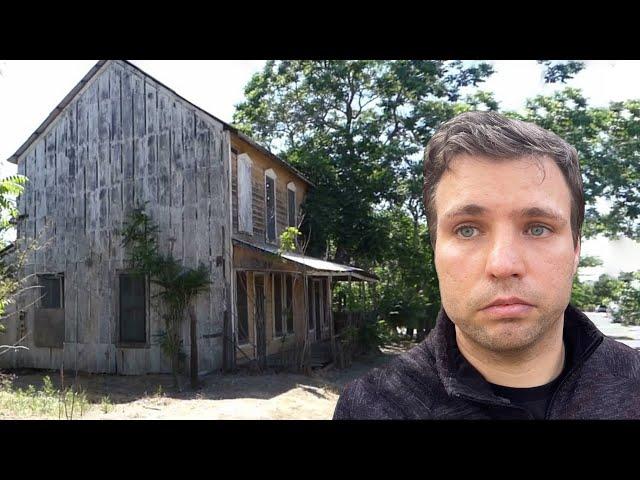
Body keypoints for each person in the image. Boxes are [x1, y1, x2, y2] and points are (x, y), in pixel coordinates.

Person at [333, 111, 640, 419]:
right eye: (467, 229)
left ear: (575, 249)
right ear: (435, 250)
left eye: (538, 228)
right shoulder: (373, 407)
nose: (503, 265)